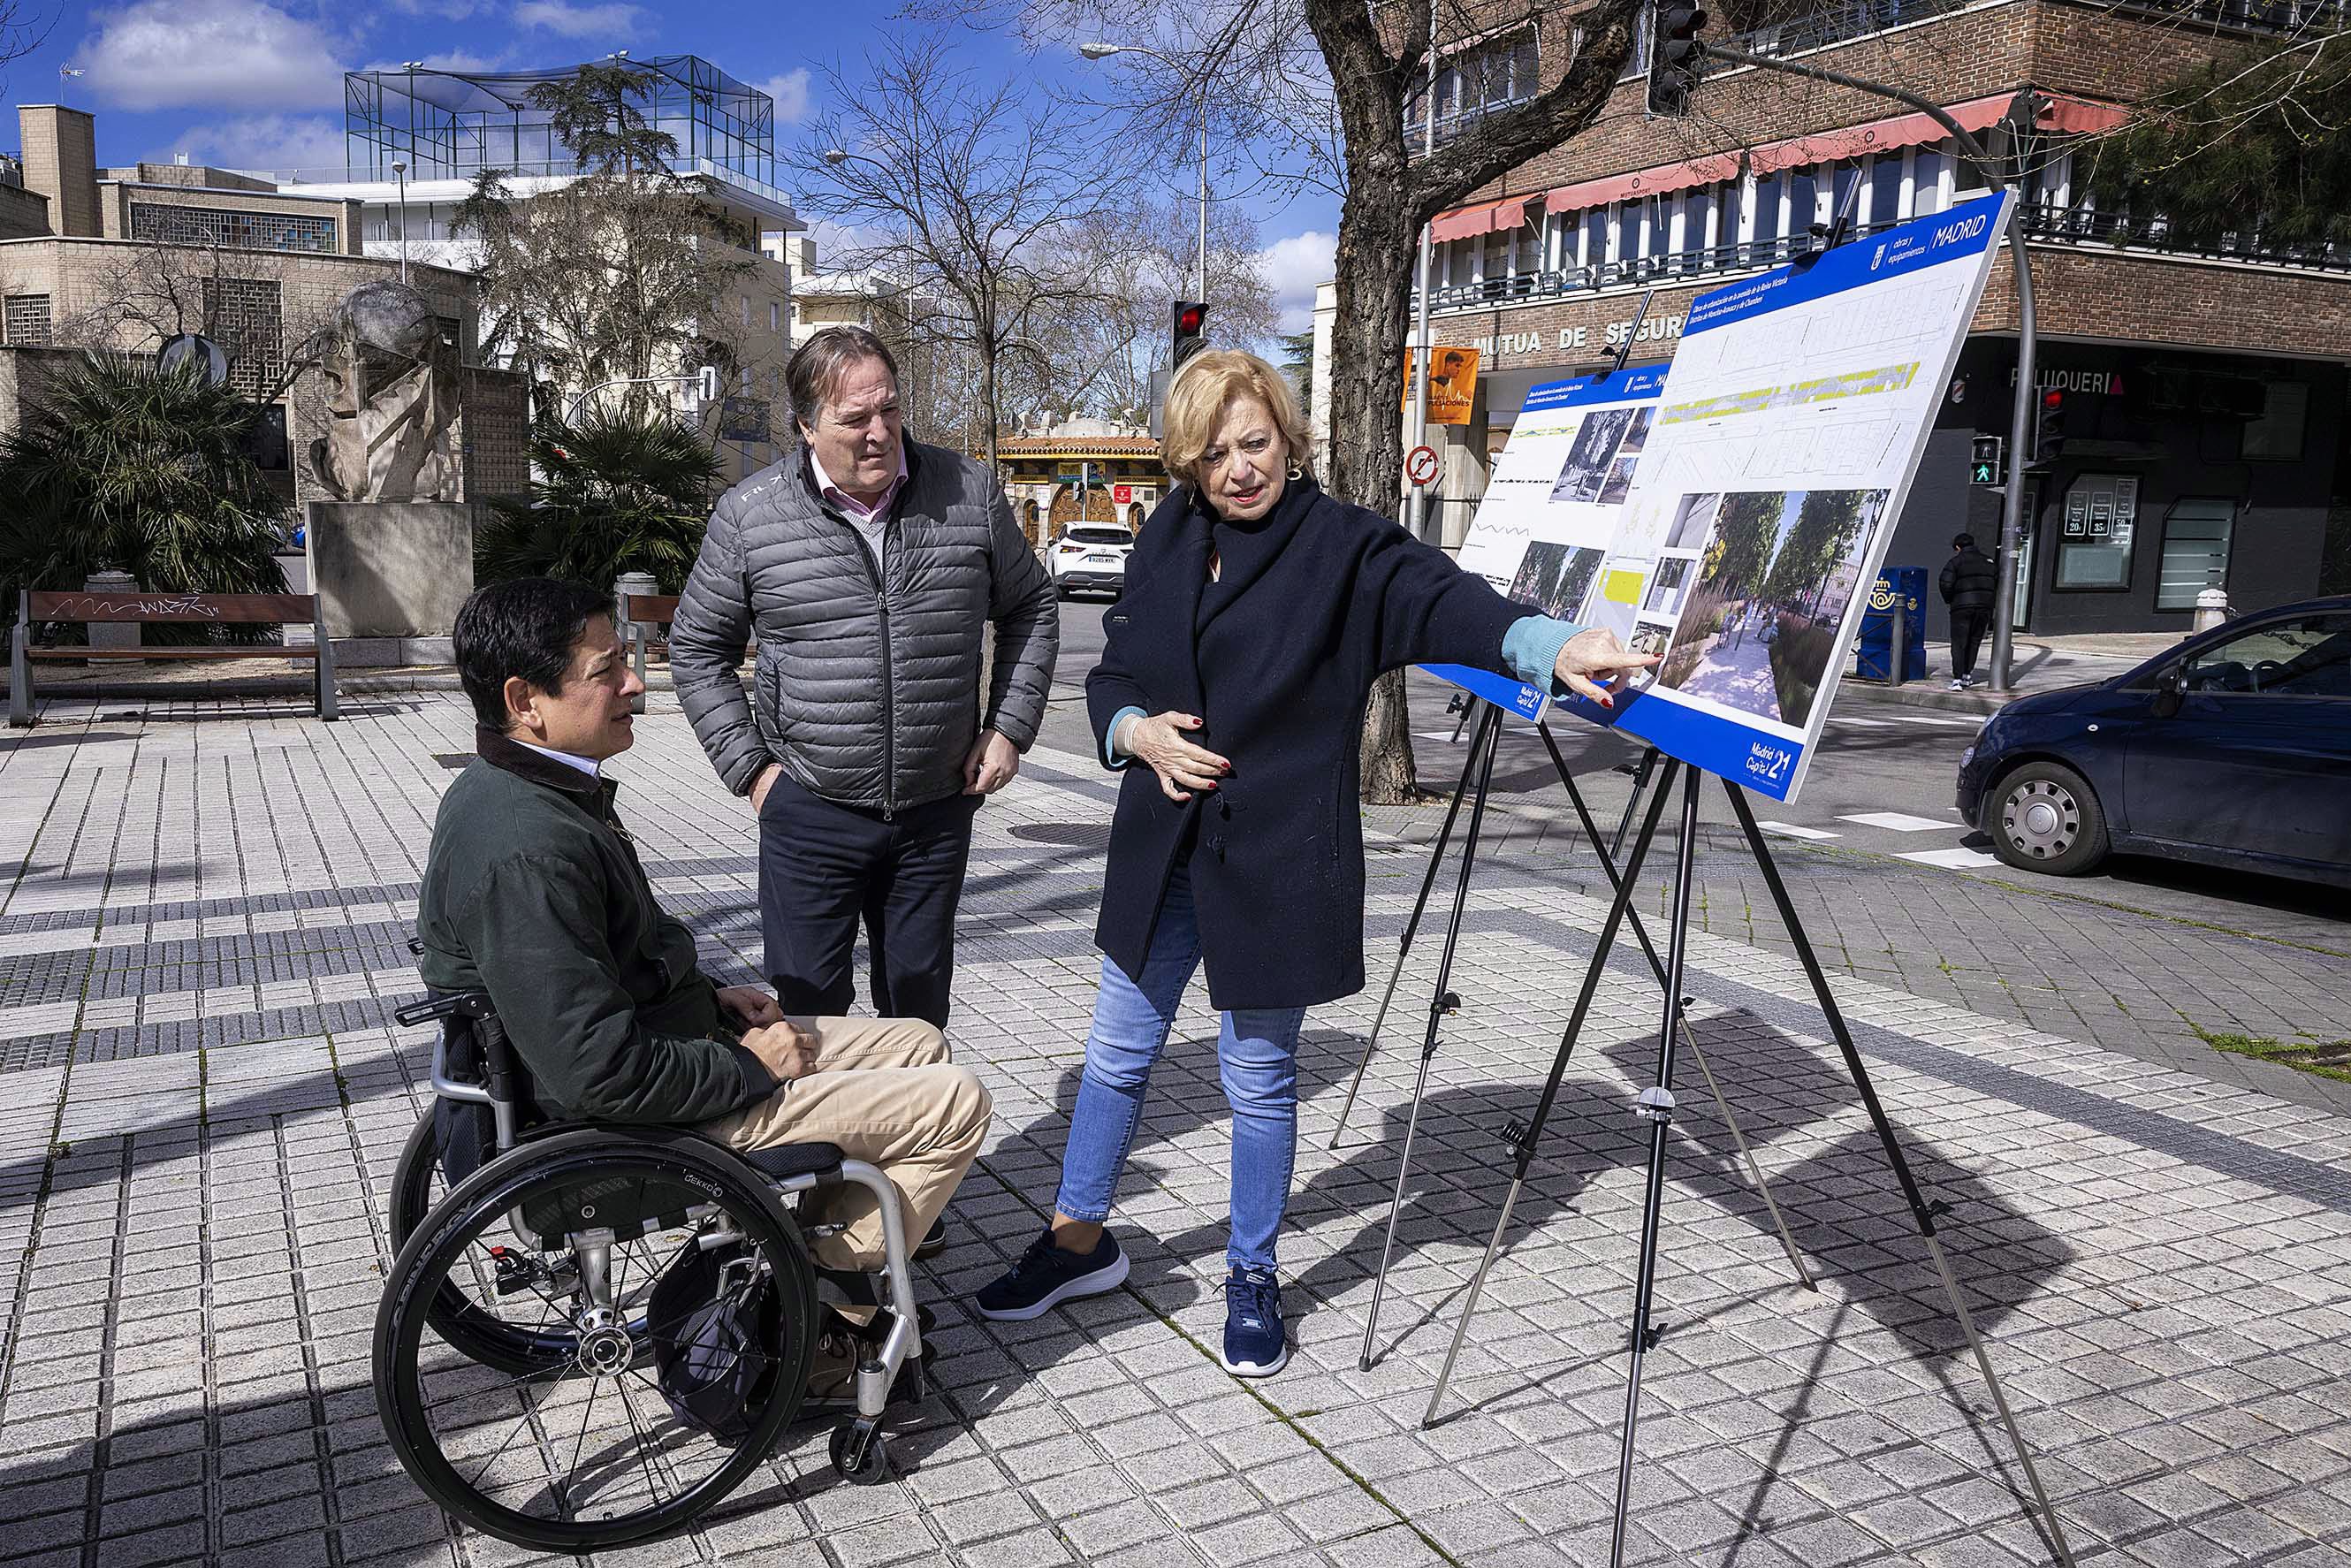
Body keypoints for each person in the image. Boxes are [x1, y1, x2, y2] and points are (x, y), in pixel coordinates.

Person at [972, 350, 1656, 1376]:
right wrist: (1132, 732)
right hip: (1162, 847)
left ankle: (1252, 1273)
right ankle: (1077, 1243)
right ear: (1187, 465)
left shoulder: (1340, 546)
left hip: (1276, 858)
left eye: (1253, 444)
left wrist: (1547, 646)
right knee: (1114, 1055)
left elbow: (1448, 601)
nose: (1237, 469)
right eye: (1213, 454)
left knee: (1257, 1079)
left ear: (1287, 439)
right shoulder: (1168, 535)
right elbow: (1114, 671)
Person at [418, 577, 993, 1393]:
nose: (635, 684)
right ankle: (819, 1311)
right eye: (605, 670)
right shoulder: (525, 847)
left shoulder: (534, 789)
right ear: (525, 701)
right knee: (956, 1102)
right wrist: (755, 1066)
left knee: (921, 1042)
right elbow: (599, 1075)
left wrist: (714, 993)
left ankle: (809, 1260)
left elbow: (605, 965)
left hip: (663, 1048)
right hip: (629, 1119)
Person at [670, 325, 1059, 1031]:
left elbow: (1031, 604)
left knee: (918, 1014)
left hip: (935, 809)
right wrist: (754, 773)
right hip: (809, 809)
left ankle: (913, 1110)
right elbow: (697, 648)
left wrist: (1008, 728)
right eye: (855, 419)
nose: (880, 433)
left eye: (890, 409)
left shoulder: (968, 491)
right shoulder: (751, 515)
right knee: (809, 1016)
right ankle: (820, 1115)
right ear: (806, 426)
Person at [1941, 530, 1999, 689]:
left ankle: (1957, 679)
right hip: (1984, 608)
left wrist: (1950, 599)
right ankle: (1967, 675)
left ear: (1958, 547)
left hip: (1961, 607)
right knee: (1974, 641)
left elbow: (1945, 583)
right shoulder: (1989, 562)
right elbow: (1996, 584)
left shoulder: (1955, 562)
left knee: (1959, 643)